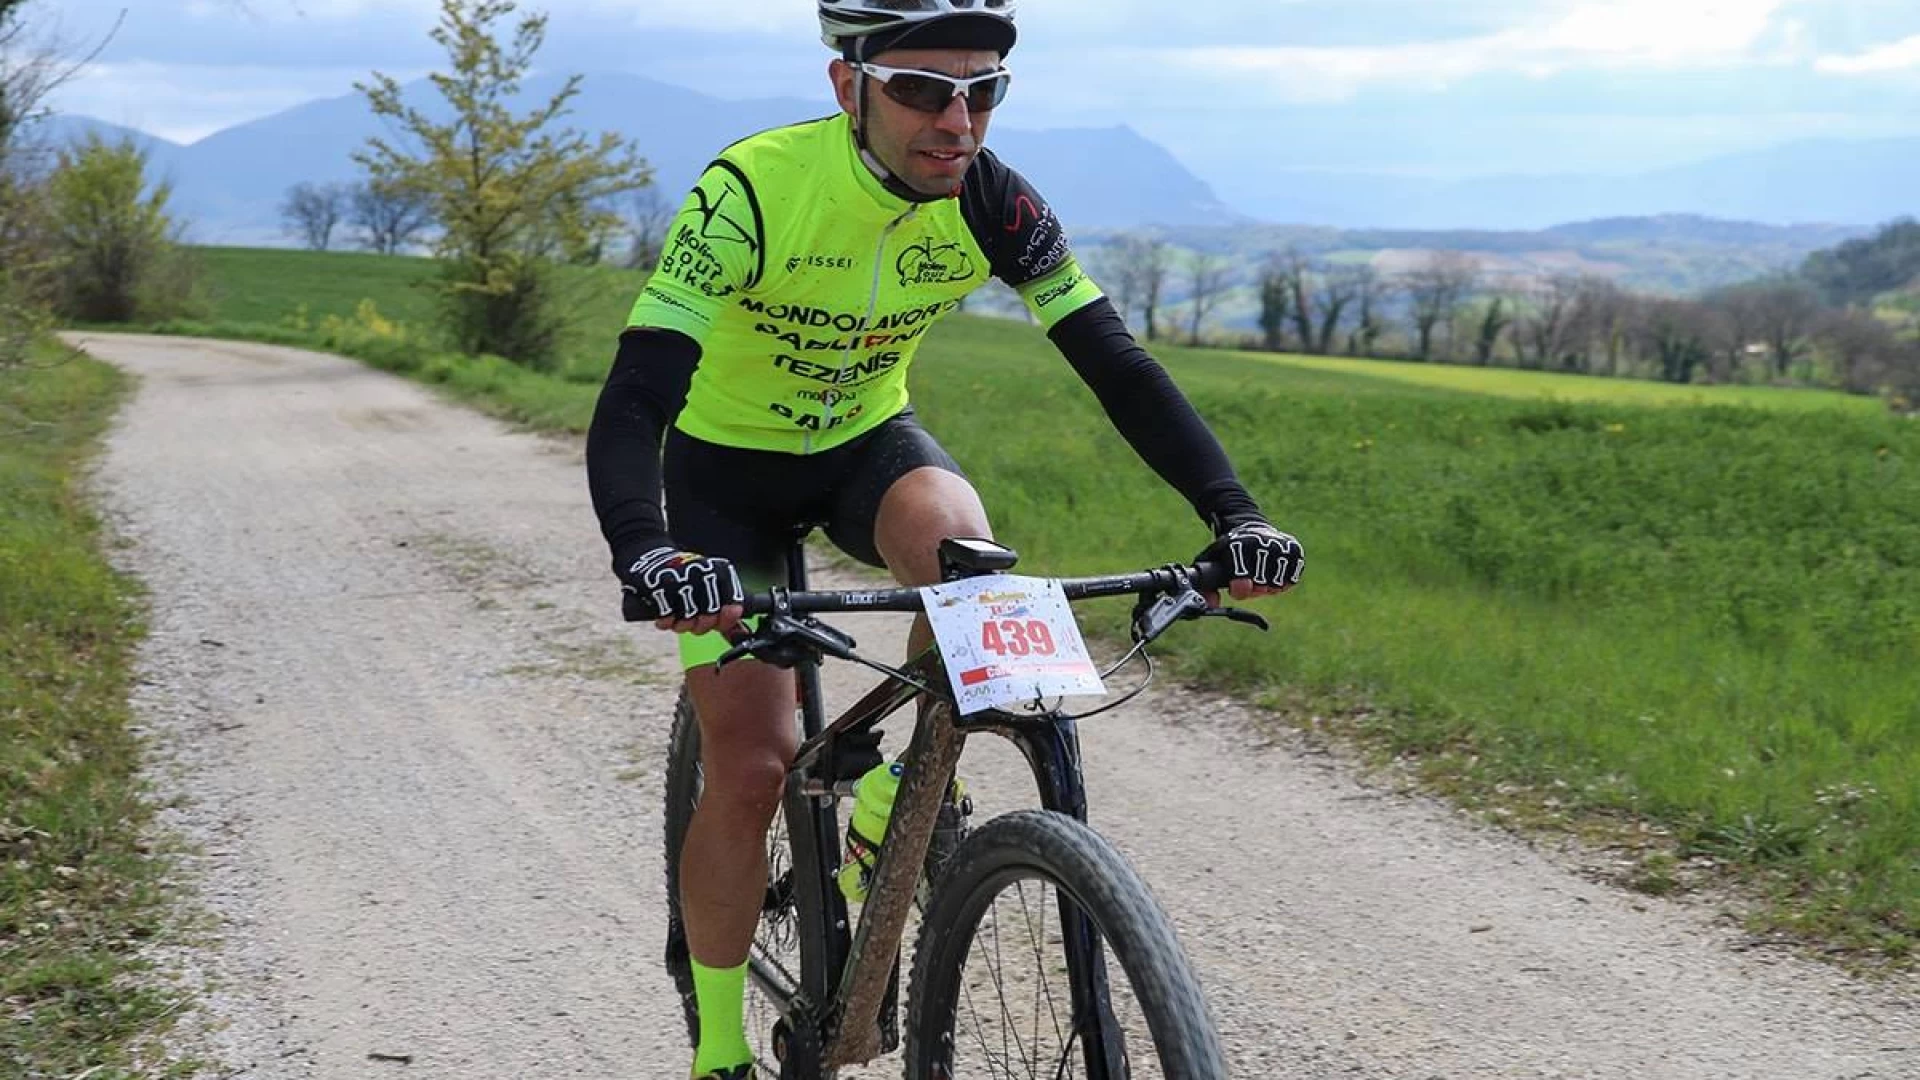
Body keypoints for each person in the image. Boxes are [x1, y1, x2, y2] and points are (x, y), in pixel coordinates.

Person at [585, 2, 1305, 1075]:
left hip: (866, 445)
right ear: (850, 89)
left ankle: (888, 803)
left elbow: (1116, 362)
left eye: (983, 93)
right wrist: (646, 551)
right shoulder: (751, 192)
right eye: (924, 90)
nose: (956, 121)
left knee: (967, 557)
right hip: (725, 474)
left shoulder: (994, 202)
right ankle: (722, 1046)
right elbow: (640, 388)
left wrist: (1233, 513)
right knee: (752, 767)